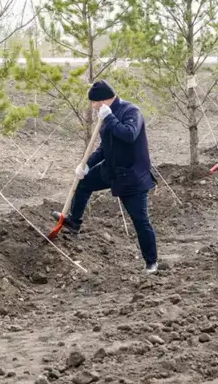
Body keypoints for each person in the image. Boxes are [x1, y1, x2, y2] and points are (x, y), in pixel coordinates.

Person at [54, 80, 158, 274]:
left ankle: (151, 262)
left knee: (140, 220)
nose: (92, 106)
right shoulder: (104, 115)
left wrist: (109, 118)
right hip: (111, 169)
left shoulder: (131, 111)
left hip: (132, 176)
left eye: (94, 102)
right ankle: (74, 222)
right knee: (84, 183)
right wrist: (86, 165)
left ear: (103, 100)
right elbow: (104, 147)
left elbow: (129, 135)